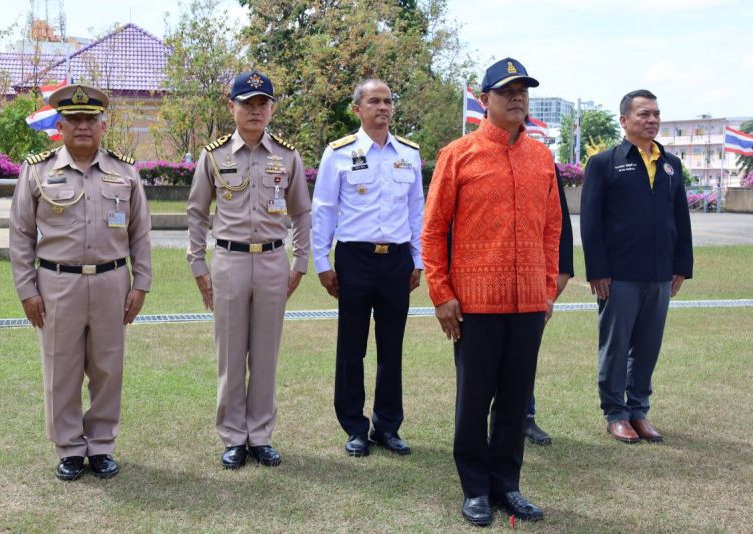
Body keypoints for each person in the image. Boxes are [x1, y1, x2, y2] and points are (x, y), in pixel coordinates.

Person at [422, 58, 561, 527]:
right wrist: (441, 294)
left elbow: (552, 228)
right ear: (485, 101)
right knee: (474, 399)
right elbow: (433, 229)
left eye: (522, 90)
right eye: (507, 91)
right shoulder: (458, 154)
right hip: (475, 305)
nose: (517, 98)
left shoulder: (541, 157)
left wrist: (546, 291)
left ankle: (508, 485)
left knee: (516, 399)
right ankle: (475, 489)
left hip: (527, 303)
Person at [9, 84, 152, 481]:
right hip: (56, 283)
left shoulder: (125, 172)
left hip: (112, 282)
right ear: (61, 126)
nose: (83, 126)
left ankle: (101, 445)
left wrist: (141, 284)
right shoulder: (38, 171)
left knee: (108, 367)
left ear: (103, 125)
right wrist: (27, 289)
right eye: (74, 119)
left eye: (91, 119)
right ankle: (70, 447)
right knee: (61, 367)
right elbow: (20, 235)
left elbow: (140, 233)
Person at [186, 71, 311, 469]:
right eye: (247, 103)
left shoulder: (288, 156)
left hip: (274, 260)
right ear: (232, 107)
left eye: (262, 103)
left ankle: (260, 434)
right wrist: (198, 264)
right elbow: (196, 212)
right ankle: (232, 436)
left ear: (272, 108)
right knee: (230, 352)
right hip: (229, 262)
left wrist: (301, 260)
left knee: (266, 353)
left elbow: (302, 213)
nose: (255, 111)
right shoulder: (214, 155)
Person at [311, 79, 424, 458]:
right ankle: (355, 427)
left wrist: (418, 259)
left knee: (391, 348)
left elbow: (416, 212)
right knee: (352, 347)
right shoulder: (338, 153)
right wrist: (323, 263)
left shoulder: (408, 153)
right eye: (374, 101)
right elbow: (324, 210)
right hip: (354, 259)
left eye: (388, 101)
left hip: (396, 259)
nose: (383, 107)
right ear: (357, 109)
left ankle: (388, 427)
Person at [581, 89, 693, 444]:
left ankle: (639, 410)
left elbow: (681, 218)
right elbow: (591, 222)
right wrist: (597, 269)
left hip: (660, 275)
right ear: (624, 121)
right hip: (619, 275)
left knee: (648, 346)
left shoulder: (672, 165)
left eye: (656, 114)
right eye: (644, 114)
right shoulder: (605, 163)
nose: (652, 120)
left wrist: (681, 265)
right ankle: (615, 413)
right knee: (616, 346)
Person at [524, 166, 574, 446]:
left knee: (525, 357)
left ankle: (524, 416)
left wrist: (559, 277)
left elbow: (559, 225)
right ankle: (479, 422)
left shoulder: (541, 162)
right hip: (482, 285)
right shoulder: (464, 154)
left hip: (534, 284)